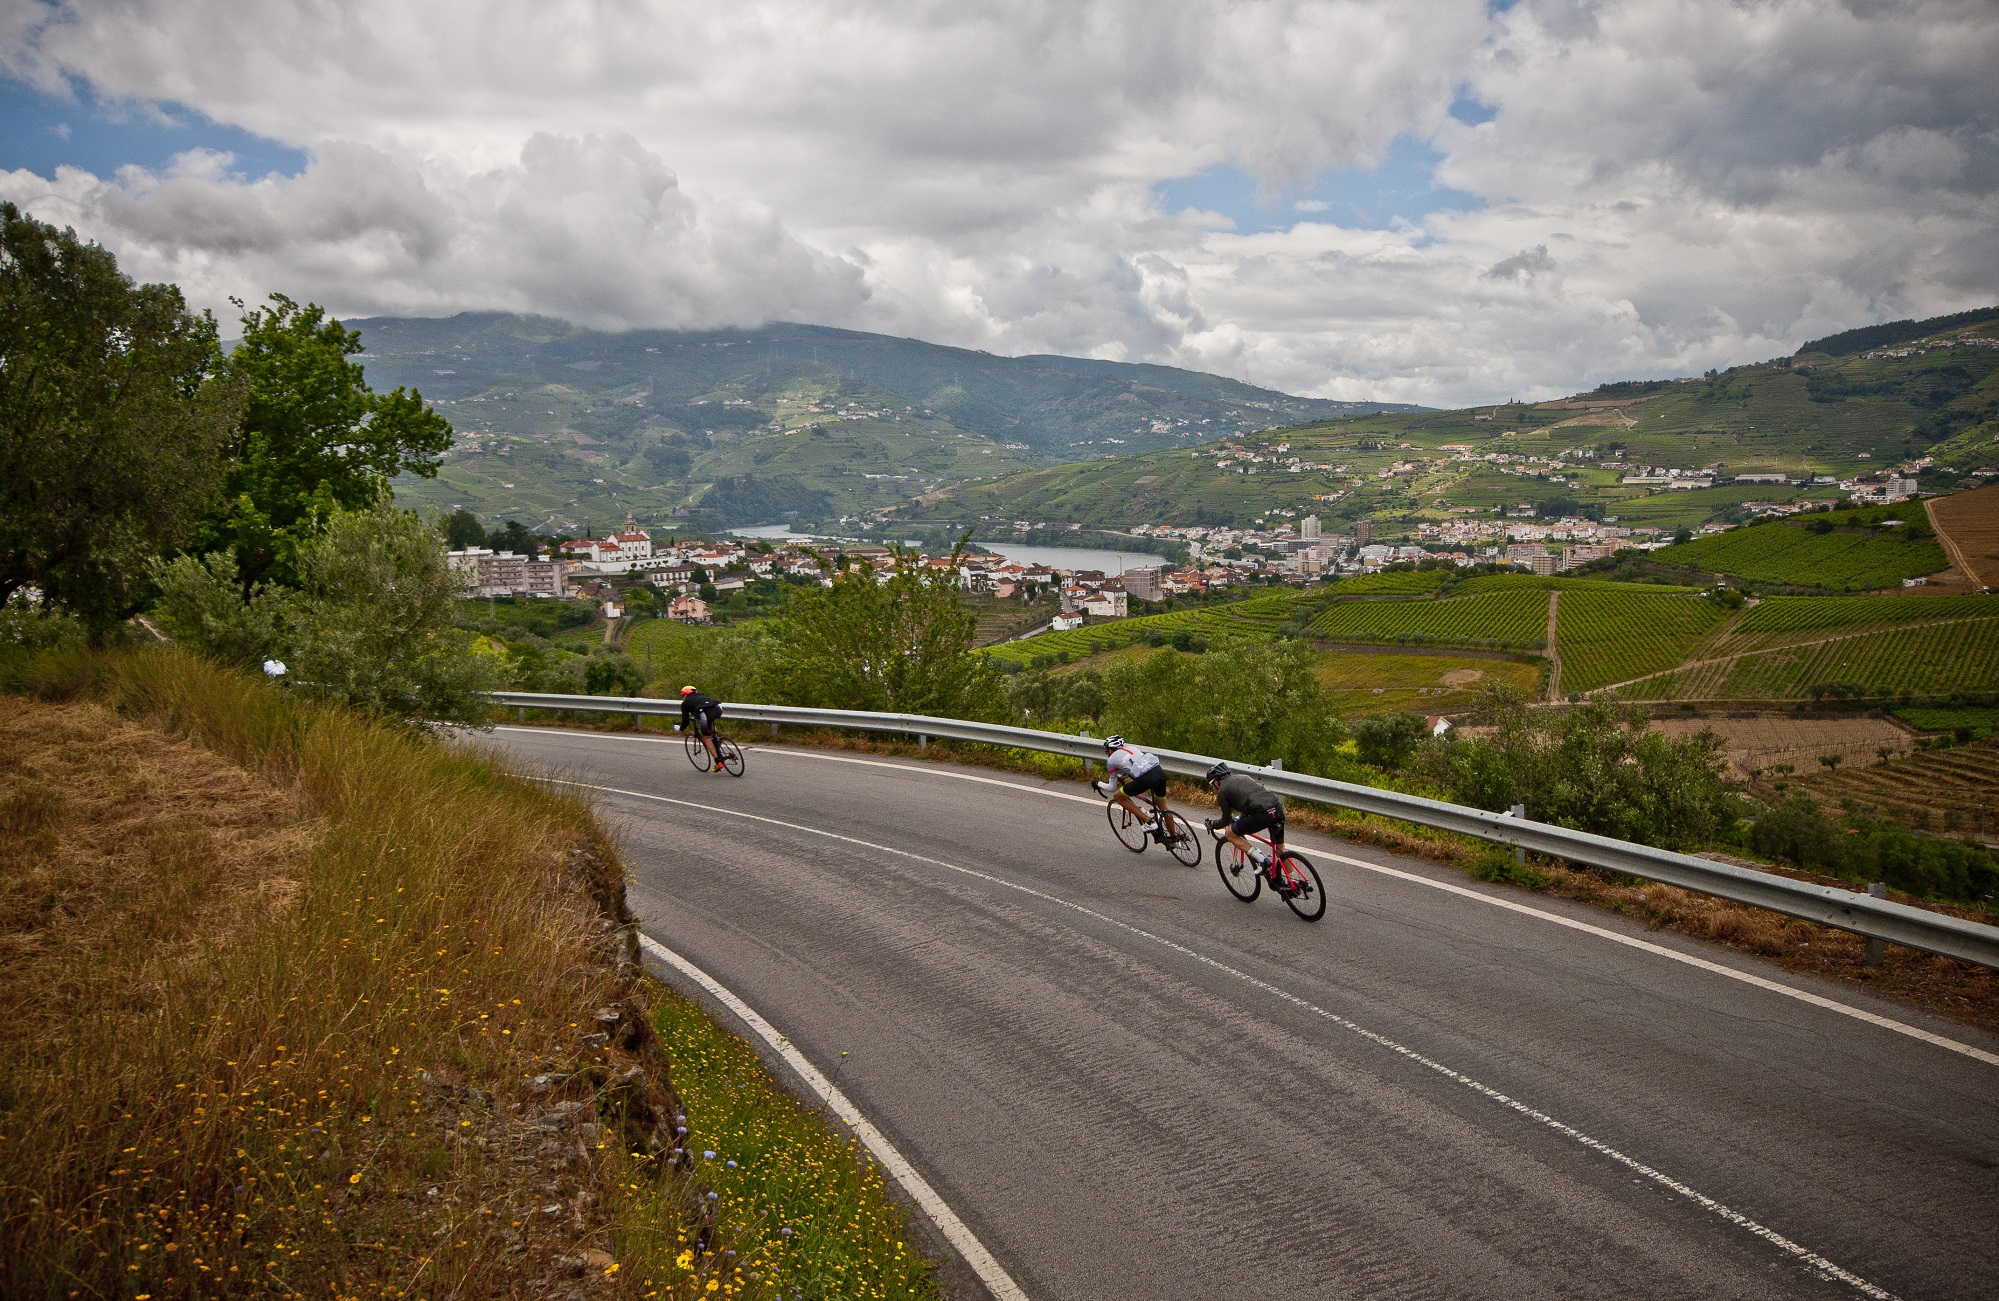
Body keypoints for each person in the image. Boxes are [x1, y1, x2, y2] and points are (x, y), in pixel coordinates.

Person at [1204, 762, 1286, 879]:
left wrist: (1213, 824)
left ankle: (1263, 861)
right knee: (1280, 850)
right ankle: (1294, 882)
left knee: (1230, 833)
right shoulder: (1243, 777)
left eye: (1212, 784)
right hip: (1276, 809)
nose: (1213, 788)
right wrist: (1243, 816)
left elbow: (1226, 820)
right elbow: (1251, 798)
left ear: (1217, 781)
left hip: (1261, 814)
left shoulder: (1222, 791)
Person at [1091, 734, 1173, 840]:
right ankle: (1175, 838)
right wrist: (1121, 776)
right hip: (1159, 772)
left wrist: (1098, 784)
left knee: (1117, 796)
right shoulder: (1132, 748)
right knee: (1163, 807)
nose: (1107, 753)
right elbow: (1136, 765)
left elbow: (1112, 787)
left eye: (1106, 750)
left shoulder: (1111, 760)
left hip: (1146, 779)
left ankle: (1149, 822)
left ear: (1110, 750)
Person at [674, 685, 725, 770]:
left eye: (683, 696)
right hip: (718, 708)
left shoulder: (685, 704)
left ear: (686, 695)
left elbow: (685, 721)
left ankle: (718, 762)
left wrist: (680, 728)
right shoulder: (702, 695)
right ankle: (717, 739)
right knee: (710, 722)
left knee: (707, 738)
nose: (683, 698)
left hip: (706, 713)